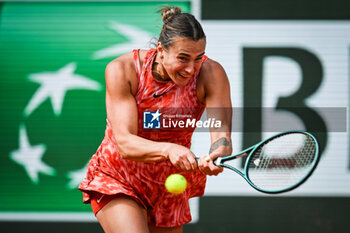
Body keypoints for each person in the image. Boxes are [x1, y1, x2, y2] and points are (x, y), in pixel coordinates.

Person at [79, 6, 232, 233]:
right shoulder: (124, 70)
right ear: (161, 50)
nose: (191, 69)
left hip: (169, 185)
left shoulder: (211, 73)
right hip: (119, 177)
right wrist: (170, 149)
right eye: (183, 58)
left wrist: (218, 151)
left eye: (198, 58)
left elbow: (221, 134)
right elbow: (125, 143)